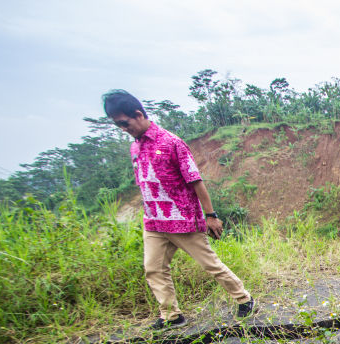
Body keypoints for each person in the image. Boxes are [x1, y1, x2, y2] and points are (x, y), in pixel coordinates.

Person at [102, 90, 255, 330]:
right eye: (118, 125)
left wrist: (211, 215)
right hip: (154, 222)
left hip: (182, 220)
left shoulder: (171, 143)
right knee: (154, 268)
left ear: (138, 114)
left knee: (210, 264)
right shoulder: (135, 148)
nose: (124, 128)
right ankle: (171, 315)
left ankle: (244, 298)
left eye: (125, 123)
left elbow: (196, 180)